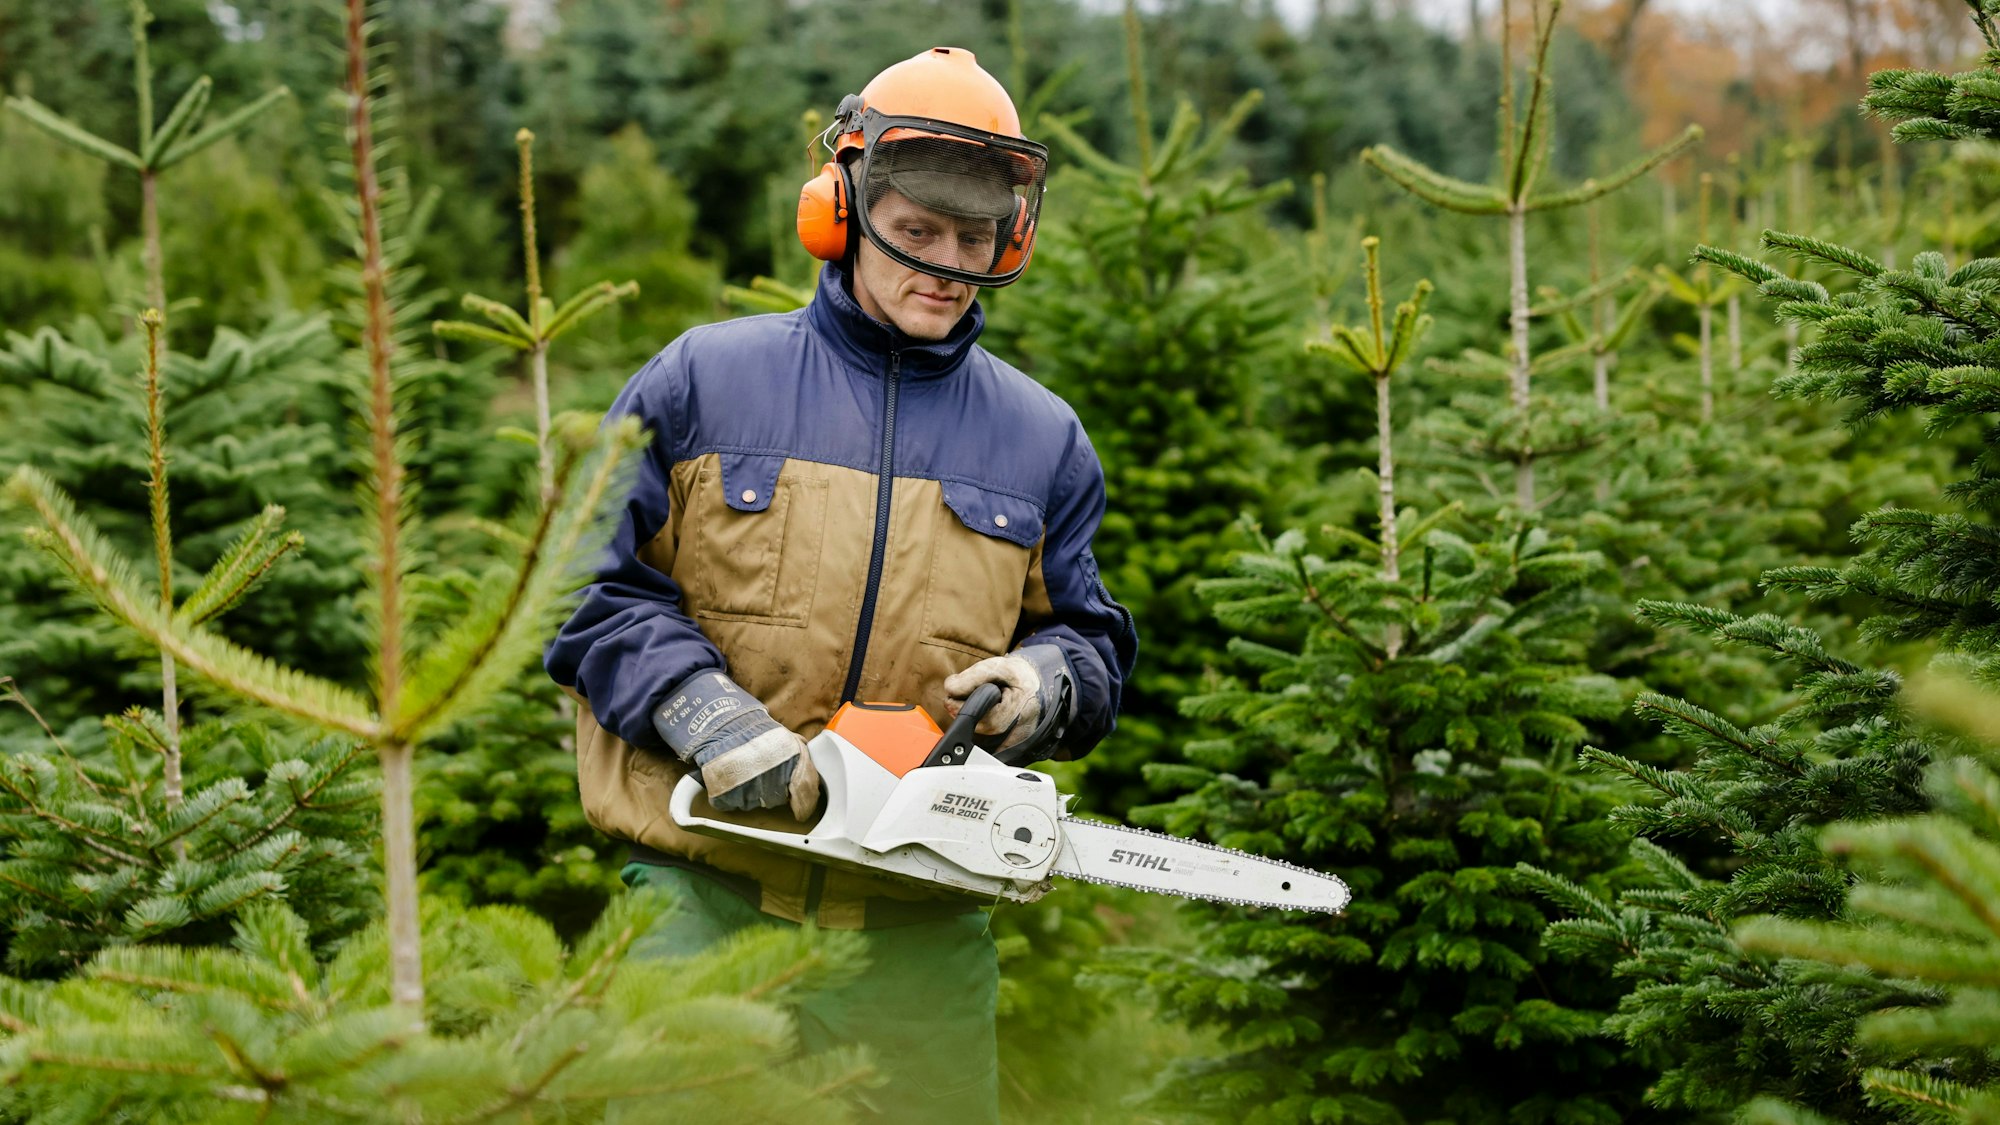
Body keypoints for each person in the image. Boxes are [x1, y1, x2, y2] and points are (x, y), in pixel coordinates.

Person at [545, 45, 1137, 1123]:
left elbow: (1090, 644)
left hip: (918, 924)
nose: (945, 265)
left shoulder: (1042, 439)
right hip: (701, 891)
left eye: (973, 240)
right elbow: (583, 590)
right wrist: (704, 715)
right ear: (841, 208)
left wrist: (1043, 686)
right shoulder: (700, 380)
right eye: (917, 233)